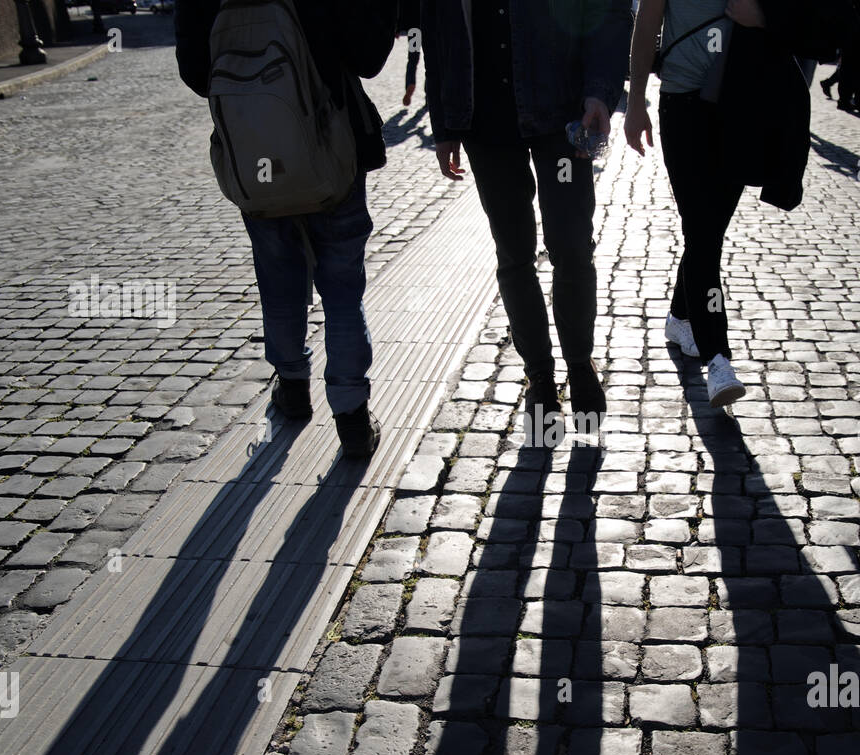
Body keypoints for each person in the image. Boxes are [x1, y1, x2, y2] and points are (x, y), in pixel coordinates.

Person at [176, 1, 396, 457]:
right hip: (331, 150)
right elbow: (369, 57)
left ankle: (293, 386)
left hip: (257, 154)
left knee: (277, 279)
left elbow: (196, 72)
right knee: (340, 290)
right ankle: (351, 416)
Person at [420, 0, 631, 437]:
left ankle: (579, 365)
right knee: (514, 255)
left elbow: (608, 11)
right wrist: (444, 123)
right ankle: (540, 377)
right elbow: (438, 29)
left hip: (561, 112)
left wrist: (600, 90)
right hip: (485, 123)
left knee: (571, 247)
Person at [626, 0, 809, 408]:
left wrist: (763, 15)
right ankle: (718, 359)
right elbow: (647, 26)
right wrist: (636, 100)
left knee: (705, 231)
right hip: (683, 104)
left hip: (744, 108)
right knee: (704, 233)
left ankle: (680, 318)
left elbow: (810, 21)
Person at [398, 0, 421, 106]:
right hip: (429, 27)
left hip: (414, 29)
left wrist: (398, 27)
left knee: (413, 59)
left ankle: (410, 83)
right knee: (431, 63)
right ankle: (428, 94)